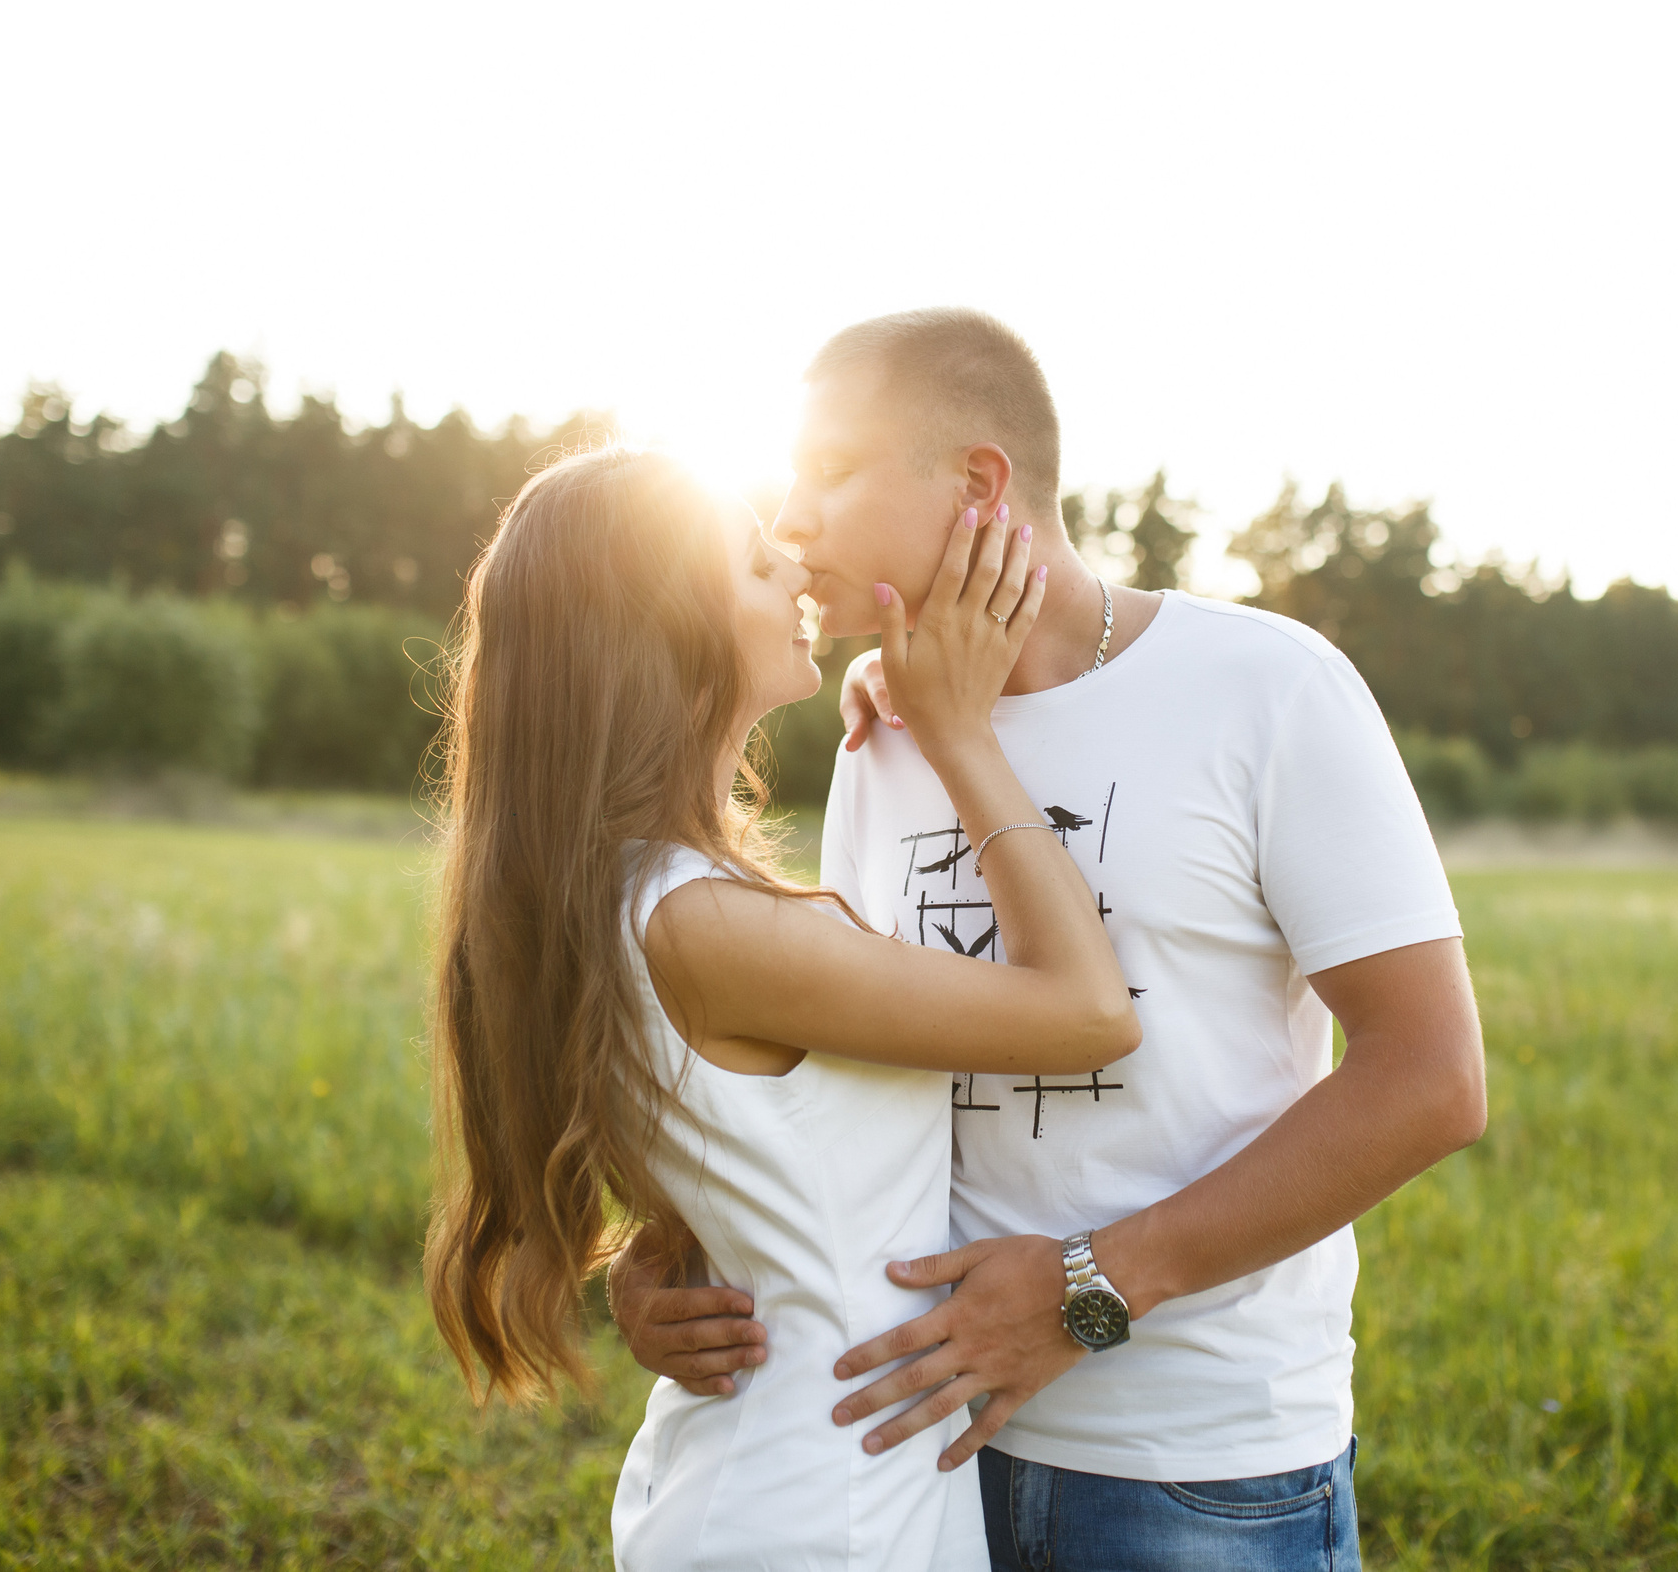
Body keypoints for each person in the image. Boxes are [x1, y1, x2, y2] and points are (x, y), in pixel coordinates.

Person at [611, 309, 1489, 1570]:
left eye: (831, 471)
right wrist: (666, 1257)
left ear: (977, 483)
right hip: (922, 1445)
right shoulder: (881, 740)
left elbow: (1431, 1080)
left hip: (1191, 1473)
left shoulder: (1270, 690)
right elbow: (849, 1068)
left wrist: (1089, 1290)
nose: (789, 516)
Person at [423, 444, 1142, 1571]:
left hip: (794, 1477)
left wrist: (669, 1251)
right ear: (666, 636)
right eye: (760, 568)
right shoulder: (708, 923)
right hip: (820, 1511)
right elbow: (1090, 1013)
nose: (800, 572)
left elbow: (749, 1145)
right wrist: (958, 732)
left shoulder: (630, 889)